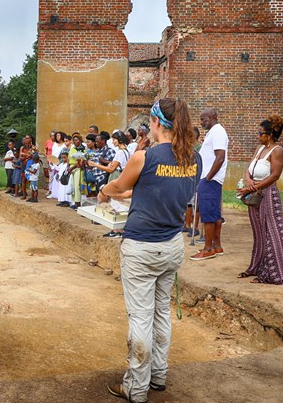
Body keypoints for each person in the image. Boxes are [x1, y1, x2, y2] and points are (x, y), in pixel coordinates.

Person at [100, 98, 201, 403]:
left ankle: (136, 387)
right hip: (171, 245)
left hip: (142, 246)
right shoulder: (193, 158)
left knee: (141, 318)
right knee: (161, 314)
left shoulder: (145, 157)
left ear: (156, 122)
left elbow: (118, 186)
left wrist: (106, 190)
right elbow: (172, 192)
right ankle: (158, 375)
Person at [236, 115, 283, 284]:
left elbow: (275, 175)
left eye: (260, 134)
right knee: (259, 233)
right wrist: (249, 181)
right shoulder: (259, 149)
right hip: (256, 196)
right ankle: (257, 267)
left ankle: (273, 273)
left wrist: (253, 187)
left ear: (270, 135)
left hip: (268, 195)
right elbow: (248, 170)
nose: (258, 136)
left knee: (271, 233)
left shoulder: (277, 150)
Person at [190, 108, 229, 261]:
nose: (201, 122)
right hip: (210, 179)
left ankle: (208, 249)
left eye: (203, 119)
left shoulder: (218, 131)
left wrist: (207, 178)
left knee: (207, 215)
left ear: (212, 117)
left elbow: (220, 157)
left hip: (210, 179)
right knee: (214, 214)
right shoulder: (213, 132)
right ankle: (217, 246)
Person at [67, 134, 86, 210]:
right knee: (72, 185)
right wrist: (68, 166)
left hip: (77, 168)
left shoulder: (82, 149)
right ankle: (74, 202)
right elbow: (69, 158)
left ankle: (78, 203)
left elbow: (81, 161)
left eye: (77, 140)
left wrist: (72, 168)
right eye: (74, 140)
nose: (75, 142)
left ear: (80, 140)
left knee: (77, 185)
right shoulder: (73, 148)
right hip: (71, 167)